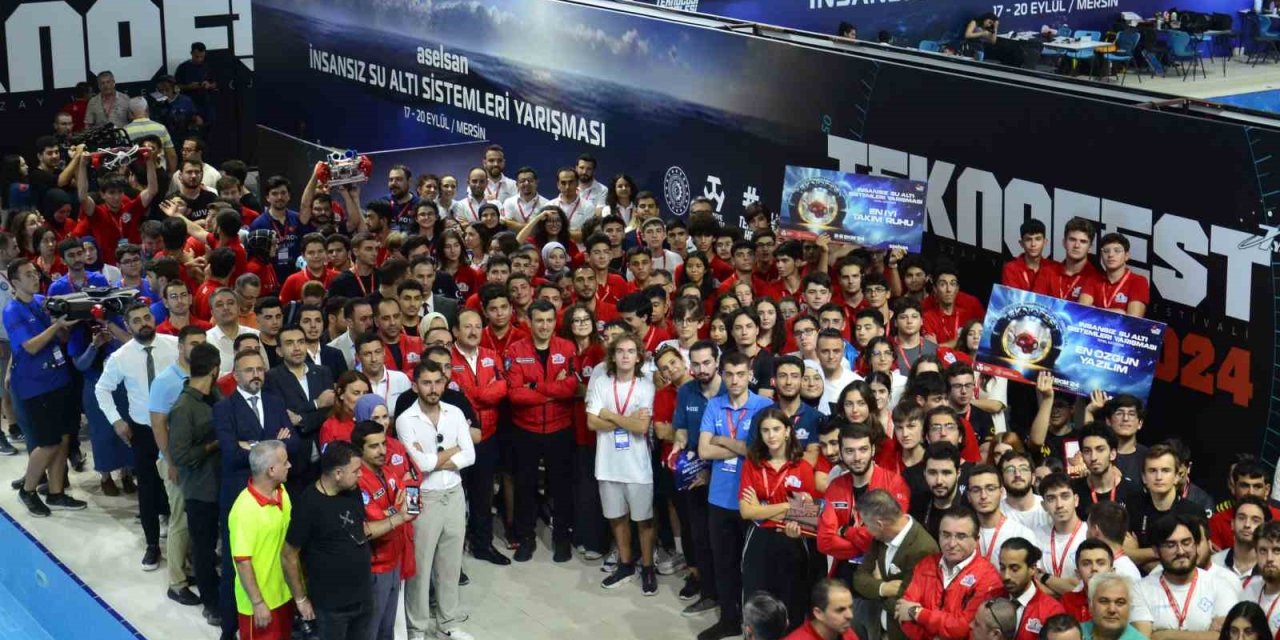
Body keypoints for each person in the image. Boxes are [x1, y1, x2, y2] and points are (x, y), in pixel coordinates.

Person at [698, 351, 776, 640]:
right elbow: (704, 451)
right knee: (724, 563)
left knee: (754, 568)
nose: (734, 380)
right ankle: (729, 620)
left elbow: (761, 451)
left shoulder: (764, 406)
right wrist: (741, 446)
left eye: (740, 374)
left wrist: (721, 439)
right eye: (729, 374)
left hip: (753, 500)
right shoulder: (714, 405)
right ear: (722, 373)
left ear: (749, 375)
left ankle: (755, 624)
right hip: (718, 499)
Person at [94, 302, 179, 570]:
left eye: (147, 317)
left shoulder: (174, 345)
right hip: (143, 430)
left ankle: (186, 539)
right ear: (128, 326)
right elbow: (102, 389)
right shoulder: (121, 356)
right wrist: (117, 420)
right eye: (137, 320)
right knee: (148, 487)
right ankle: (152, 544)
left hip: (177, 427)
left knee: (182, 483)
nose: (144, 323)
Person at [397, 361, 475, 640]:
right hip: (424, 496)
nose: (433, 388)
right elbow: (419, 464)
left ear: (445, 383)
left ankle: (448, 622)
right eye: (427, 383)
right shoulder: (406, 419)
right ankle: (416, 628)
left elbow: (471, 456)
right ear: (415, 385)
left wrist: (433, 461)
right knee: (420, 565)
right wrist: (452, 452)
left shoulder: (454, 412)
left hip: (454, 493)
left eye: (438, 382)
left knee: (450, 563)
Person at [586, 331, 659, 593]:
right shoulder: (601, 384)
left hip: (638, 466)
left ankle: (648, 568)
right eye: (620, 351)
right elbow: (591, 422)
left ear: (639, 356)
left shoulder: (646, 386)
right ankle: (626, 564)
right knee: (616, 518)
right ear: (613, 356)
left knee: (643, 520)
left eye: (630, 351)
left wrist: (608, 413)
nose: (625, 356)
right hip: (607, 464)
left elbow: (641, 428)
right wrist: (624, 419)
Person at [506, 300, 579, 562]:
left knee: (561, 486)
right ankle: (525, 538)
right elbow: (515, 394)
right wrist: (551, 390)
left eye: (549, 320)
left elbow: (570, 388)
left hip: (560, 428)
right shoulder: (515, 350)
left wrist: (535, 385)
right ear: (529, 321)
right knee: (524, 486)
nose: (545, 326)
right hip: (525, 430)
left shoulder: (567, 348)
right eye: (539, 320)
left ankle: (562, 538)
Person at [281, 441, 374, 640]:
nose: (361, 474)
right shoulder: (308, 504)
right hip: (332, 607)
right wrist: (300, 598)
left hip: (364, 597)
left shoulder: (353, 491)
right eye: (356, 470)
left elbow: (359, 530)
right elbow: (289, 555)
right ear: (338, 473)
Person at [738, 407, 821, 627]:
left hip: (792, 539)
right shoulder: (752, 464)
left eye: (776, 429)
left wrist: (763, 507)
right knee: (757, 602)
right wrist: (787, 505)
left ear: (787, 431)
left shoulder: (802, 467)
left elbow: (808, 516)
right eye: (765, 430)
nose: (771, 435)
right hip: (759, 539)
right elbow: (747, 511)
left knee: (792, 601)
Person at [166, 341, 224, 626]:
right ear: (215, 369)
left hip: (221, 483)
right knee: (203, 548)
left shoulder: (215, 394)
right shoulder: (183, 407)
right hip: (200, 490)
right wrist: (213, 445)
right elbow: (180, 455)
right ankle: (211, 604)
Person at [818, 421, 912, 584]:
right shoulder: (835, 486)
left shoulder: (894, 483)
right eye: (849, 451)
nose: (857, 457)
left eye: (863, 449)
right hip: (843, 575)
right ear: (841, 452)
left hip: (879, 575)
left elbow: (892, 532)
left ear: (873, 450)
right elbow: (825, 541)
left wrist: (846, 531)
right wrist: (870, 546)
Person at [350, 419, 418, 640]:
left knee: (387, 629)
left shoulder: (388, 472)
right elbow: (373, 522)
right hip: (374, 568)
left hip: (395, 560)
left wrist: (395, 512)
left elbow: (414, 505)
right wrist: (397, 512)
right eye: (374, 446)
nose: (382, 450)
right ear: (360, 450)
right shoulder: (358, 482)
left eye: (383, 444)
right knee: (370, 630)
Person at [895, 506, 1003, 640]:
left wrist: (917, 612)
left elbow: (964, 627)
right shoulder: (926, 564)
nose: (952, 544)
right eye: (946, 535)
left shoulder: (989, 578)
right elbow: (903, 615)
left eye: (961, 536)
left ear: (976, 540)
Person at [851, 488, 938, 640]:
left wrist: (875, 587)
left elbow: (907, 606)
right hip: (877, 627)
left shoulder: (924, 549)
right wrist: (883, 588)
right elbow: (859, 578)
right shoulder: (881, 537)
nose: (866, 529)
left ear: (879, 524)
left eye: (866, 524)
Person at [227, 440, 294, 640]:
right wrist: (257, 603)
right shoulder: (244, 511)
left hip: (283, 594)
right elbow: (243, 561)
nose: (290, 465)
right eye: (285, 462)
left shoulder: (282, 493)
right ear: (271, 470)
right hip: (259, 603)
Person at [1131, 514, 1234, 638]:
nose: (1180, 551)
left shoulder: (1221, 586)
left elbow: (1225, 638)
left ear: (1196, 545)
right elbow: (1143, 638)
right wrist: (1205, 635)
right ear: (1156, 551)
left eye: (1186, 543)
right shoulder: (1140, 589)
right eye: (1171, 545)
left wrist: (1162, 636)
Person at [264, 324, 336, 491]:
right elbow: (284, 416)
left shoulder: (323, 372)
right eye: (289, 343)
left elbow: (329, 412)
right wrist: (316, 404)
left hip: (324, 456)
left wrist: (302, 419)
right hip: (293, 461)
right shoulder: (272, 378)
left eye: (301, 342)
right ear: (279, 351)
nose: (297, 348)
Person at [998, 537, 1067, 640]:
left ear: (1032, 569)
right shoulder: (990, 598)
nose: (1006, 576)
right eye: (1002, 568)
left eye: (1014, 569)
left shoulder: (1052, 611)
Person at [1212, 496, 1270, 583]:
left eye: (1255, 520)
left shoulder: (1272, 567)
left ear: (1265, 527)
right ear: (1232, 524)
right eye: (1241, 518)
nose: (1247, 524)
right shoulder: (1214, 563)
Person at [785, 579, 859, 640]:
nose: (850, 615)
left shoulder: (847, 634)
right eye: (840, 610)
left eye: (851, 607)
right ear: (818, 613)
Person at [1080, 573, 1146, 640]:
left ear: (1130, 607)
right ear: (1091, 605)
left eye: (1120, 602)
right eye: (1104, 601)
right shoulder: (1075, 634)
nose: (1112, 610)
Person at [1243, 521, 1280, 636]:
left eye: (1276, 550)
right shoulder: (1248, 589)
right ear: (1256, 554)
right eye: (1263, 551)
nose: (1269, 558)